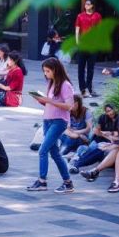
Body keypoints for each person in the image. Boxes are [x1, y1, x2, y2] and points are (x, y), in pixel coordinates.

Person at [27, 57, 76, 193]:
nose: (46, 74)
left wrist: (49, 100)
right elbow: (51, 102)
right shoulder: (52, 83)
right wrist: (42, 100)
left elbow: (69, 106)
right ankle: (68, 183)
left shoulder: (65, 85)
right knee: (54, 153)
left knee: (43, 150)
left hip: (59, 121)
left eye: (48, 71)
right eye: (44, 71)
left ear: (55, 70)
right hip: (48, 120)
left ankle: (42, 181)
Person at [70, 103, 119, 172]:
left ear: (115, 109)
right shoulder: (103, 117)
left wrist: (108, 134)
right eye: (107, 111)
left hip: (108, 143)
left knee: (92, 151)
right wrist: (106, 135)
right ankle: (76, 163)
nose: (109, 113)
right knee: (90, 149)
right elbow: (96, 131)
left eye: (110, 110)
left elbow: (117, 136)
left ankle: (76, 163)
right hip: (99, 139)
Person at [75, 0, 103, 97]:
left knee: (91, 69)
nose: (86, 6)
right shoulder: (80, 16)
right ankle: (83, 90)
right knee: (81, 68)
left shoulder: (97, 16)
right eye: (85, 4)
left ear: (92, 5)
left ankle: (89, 89)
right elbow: (77, 30)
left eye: (88, 4)